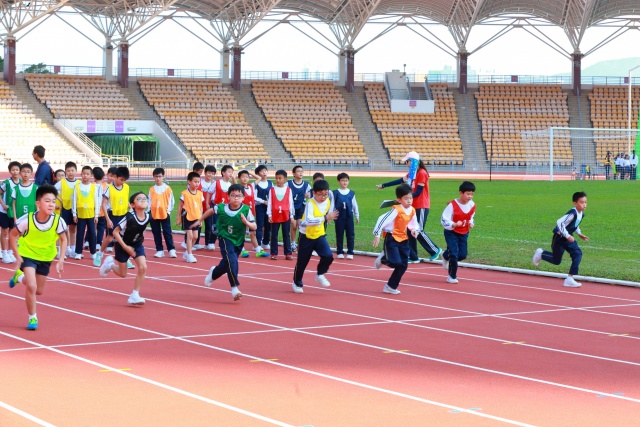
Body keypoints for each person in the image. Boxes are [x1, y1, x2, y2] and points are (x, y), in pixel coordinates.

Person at [8, 184, 67, 330]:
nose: (51, 204)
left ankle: (19, 277)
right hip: (27, 254)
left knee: (39, 290)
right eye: (47, 201)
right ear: (38, 203)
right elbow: (12, 235)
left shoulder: (58, 221)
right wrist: (17, 255)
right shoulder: (27, 220)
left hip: (45, 257)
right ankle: (32, 317)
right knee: (32, 286)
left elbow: (64, 239)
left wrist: (60, 259)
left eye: (53, 201)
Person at [192, 184, 257, 301]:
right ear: (228, 197)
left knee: (227, 263)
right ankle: (234, 288)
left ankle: (213, 274)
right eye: (233, 195)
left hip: (238, 240)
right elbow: (210, 211)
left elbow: (254, 226)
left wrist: (246, 222)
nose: (236, 198)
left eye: (239, 196)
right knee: (232, 260)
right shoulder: (222, 207)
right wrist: (200, 220)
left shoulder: (246, 210)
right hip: (225, 238)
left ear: (243, 197)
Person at [377, 151, 442, 263]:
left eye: (407, 162)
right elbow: (400, 181)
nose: (406, 164)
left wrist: (404, 199)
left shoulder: (422, 173)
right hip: (411, 206)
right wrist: (384, 185)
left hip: (421, 205)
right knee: (410, 230)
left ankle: (435, 250)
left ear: (412, 162)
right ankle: (413, 256)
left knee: (418, 229)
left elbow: (418, 192)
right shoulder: (412, 175)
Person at [99, 192, 150, 305]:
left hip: (136, 244)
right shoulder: (129, 217)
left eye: (145, 198)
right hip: (122, 244)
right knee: (123, 274)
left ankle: (134, 295)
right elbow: (115, 232)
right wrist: (126, 247)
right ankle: (109, 265)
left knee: (143, 267)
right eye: (139, 199)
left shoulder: (147, 216)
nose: (143, 200)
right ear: (132, 205)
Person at [532, 191, 589, 288]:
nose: (584, 204)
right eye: (582, 202)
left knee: (578, 254)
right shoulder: (572, 213)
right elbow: (559, 222)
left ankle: (569, 279)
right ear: (575, 203)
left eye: (585, 202)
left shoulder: (581, 214)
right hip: (559, 238)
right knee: (556, 260)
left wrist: (579, 234)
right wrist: (567, 235)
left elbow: (574, 225)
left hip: (568, 238)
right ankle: (541, 254)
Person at [292, 179, 339, 293]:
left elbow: (329, 210)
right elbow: (309, 220)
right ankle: (297, 282)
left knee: (328, 256)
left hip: (319, 234)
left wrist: (329, 217)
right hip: (306, 235)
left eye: (325, 194)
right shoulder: (310, 204)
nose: (323, 197)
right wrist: (325, 218)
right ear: (314, 193)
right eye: (320, 194)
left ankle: (320, 273)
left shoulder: (328, 201)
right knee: (302, 262)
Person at [372, 184, 419, 295]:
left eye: (411, 198)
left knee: (403, 265)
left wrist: (414, 230)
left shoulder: (412, 210)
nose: (409, 201)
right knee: (395, 262)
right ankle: (383, 258)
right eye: (406, 198)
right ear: (399, 200)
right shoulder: (396, 210)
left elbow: (413, 223)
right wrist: (377, 235)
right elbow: (381, 219)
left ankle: (390, 286)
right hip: (392, 238)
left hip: (403, 239)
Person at [94, 166, 132, 269]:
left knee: (123, 238)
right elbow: (103, 204)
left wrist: (131, 208)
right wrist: (108, 219)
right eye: (121, 179)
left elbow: (125, 199)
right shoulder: (109, 188)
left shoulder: (126, 187)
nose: (123, 182)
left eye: (124, 180)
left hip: (123, 215)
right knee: (110, 238)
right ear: (116, 177)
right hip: (113, 215)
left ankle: (125, 258)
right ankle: (99, 254)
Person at [440, 181, 476, 284]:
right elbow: (444, 219)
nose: (470, 196)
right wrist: (454, 224)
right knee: (454, 254)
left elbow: (471, 216)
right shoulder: (452, 205)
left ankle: (445, 255)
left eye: (472, 194)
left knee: (462, 255)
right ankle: (452, 276)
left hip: (464, 232)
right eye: (468, 194)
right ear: (461, 193)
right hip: (451, 232)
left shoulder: (472, 205)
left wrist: (471, 222)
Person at [237, 169, 269, 258]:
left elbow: (259, 178)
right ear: (239, 178)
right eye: (243, 177)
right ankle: (242, 249)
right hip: (241, 212)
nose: (245, 179)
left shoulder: (251, 186)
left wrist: (250, 173)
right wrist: (237, 174)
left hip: (250, 213)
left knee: (253, 232)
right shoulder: (238, 188)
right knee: (241, 232)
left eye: (247, 177)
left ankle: (258, 250)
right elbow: (234, 180)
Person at [72, 166, 100, 261]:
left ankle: (93, 252)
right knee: (80, 234)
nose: (85, 176)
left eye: (87, 174)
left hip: (91, 215)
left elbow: (96, 201)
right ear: (81, 174)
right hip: (80, 214)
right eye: (84, 174)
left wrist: (96, 215)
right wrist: (74, 214)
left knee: (92, 234)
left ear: (91, 175)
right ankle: (78, 252)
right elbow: (74, 201)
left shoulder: (93, 187)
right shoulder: (77, 186)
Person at [149, 167, 177, 258]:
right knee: (156, 232)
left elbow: (171, 201)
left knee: (167, 232)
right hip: (154, 214)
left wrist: (168, 211)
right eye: (156, 176)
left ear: (163, 176)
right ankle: (159, 250)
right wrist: (149, 211)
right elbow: (149, 201)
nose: (158, 178)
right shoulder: (152, 189)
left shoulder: (167, 189)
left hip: (164, 214)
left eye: (160, 176)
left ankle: (171, 249)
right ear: (153, 177)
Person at [267, 169, 294, 260]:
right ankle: (274, 253)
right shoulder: (272, 190)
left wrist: (291, 216)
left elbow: (290, 203)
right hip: (275, 215)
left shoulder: (288, 190)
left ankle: (288, 253)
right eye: (276, 178)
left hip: (285, 215)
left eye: (280, 178)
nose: (278, 180)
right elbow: (270, 203)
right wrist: (269, 215)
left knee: (286, 234)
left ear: (285, 179)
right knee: (274, 234)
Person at [177, 171, 204, 263]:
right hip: (187, 216)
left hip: (196, 217)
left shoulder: (200, 193)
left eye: (198, 182)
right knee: (190, 236)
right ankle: (190, 254)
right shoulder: (184, 194)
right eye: (195, 182)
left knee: (195, 237)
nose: (197, 184)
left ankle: (188, 252)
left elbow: (201, 207)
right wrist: (178, 218)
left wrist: (200, 219)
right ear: (189, 182)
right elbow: (180, 206)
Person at [55, 162, 78, 258]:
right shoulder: (62, 182)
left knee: (73, 229)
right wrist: (60, 199)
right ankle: (60, 251)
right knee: (62, 229)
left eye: (72, 170)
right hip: (65, 208)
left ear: (76, 171)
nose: (70, 172)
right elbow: (52, 190)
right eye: (68, 171)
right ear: (66, 172)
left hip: (75, 209)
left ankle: (73, 249)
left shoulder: (79, 183)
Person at [333, 173, 359, 259]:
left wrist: (357, 215)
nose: (345, 182)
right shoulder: (335, 193)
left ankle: (350, 252)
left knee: (350, 234)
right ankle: (340, 251)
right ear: (338, 181)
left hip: (349, 216)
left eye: (346, 180)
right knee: (339, 234)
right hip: (339, 216)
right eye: (342, 180)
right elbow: (332, 205)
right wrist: (331, 215)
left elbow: (354, 205)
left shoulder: (351, 193)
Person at [0, 161, 21, 264]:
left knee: (13, 232)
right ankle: (4, 253)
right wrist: (3, 205)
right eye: (13, 170)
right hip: (4, 211)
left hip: (15, 212)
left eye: (17, 169)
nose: (15, 171)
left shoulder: (21, 183)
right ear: (10, 171)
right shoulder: (6, 183)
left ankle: (10, 251)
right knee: (4, 231)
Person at [288, 165, 311, 252]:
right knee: (293, 225)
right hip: (292, 207)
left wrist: (309, 194)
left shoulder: (306, 185)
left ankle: (300, 244)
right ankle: (293, 243)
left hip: (301, 207)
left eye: (302, 171)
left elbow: (313, 193)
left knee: (300, 225)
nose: (301, 173)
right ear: (294, 173)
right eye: (298, 171)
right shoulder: (289, 184)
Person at [253, 164, 272, 251]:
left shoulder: (270, 183)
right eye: (262, 171)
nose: (264, 173)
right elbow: (254, 196)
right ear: (257, 174)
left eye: (265, 171)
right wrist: (263, 201)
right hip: (259, 207)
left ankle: (266, 242)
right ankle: (258, 244)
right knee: (260, 225)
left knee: (268, 225)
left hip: (268, 207)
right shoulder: (256, 184)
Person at [201, 164, 217, 250]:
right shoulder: (200, 182)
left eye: (213, 173)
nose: (210, 175)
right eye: (209, 173)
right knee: (198, 225)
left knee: (209, 226)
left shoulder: (215, 183)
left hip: (209, 208)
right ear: (205, 173)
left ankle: (208, 243)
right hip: (200, 207)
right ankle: (195, 243)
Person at [92, 167, 107, 252]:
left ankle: (88, 241)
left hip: (93, 210)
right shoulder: (106, 186)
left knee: (92, 227)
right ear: (103, 176)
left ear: (93, 176)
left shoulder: (91, 185)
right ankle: (98, 243)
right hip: (102, 210)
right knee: (101, 228)